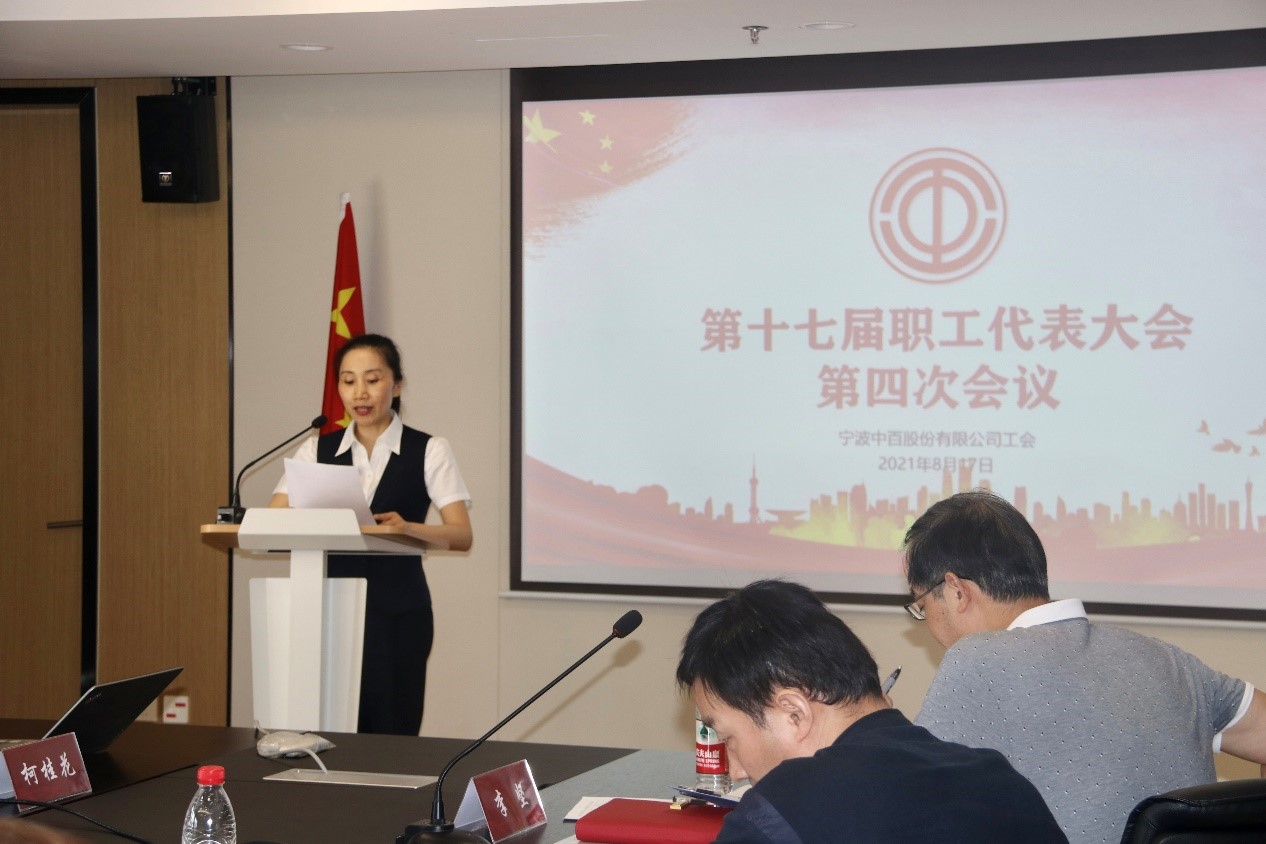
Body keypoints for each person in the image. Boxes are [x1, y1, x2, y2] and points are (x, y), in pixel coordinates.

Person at [904, 489, 1266, 844]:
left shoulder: (975, 662)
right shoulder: (1169, 661)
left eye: (922, 607)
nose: (929, 626)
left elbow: (903, 805)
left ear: (956, 590)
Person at [676, 579, 1068, 843]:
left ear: (794, 713)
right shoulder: (1001, 781)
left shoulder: (784, 812)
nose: (735, 770)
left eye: (728, 738)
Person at [270, 333, 472, 735]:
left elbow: (461, 534)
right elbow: (274, 520)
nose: (359, 393)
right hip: (325, 610)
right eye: (348, 381)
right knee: (327, 732)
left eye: (373, 379)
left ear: (396, 385)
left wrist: (407, 528)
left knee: (392, 733)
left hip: (398, 613)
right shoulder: (316, 450)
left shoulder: (428, 449)